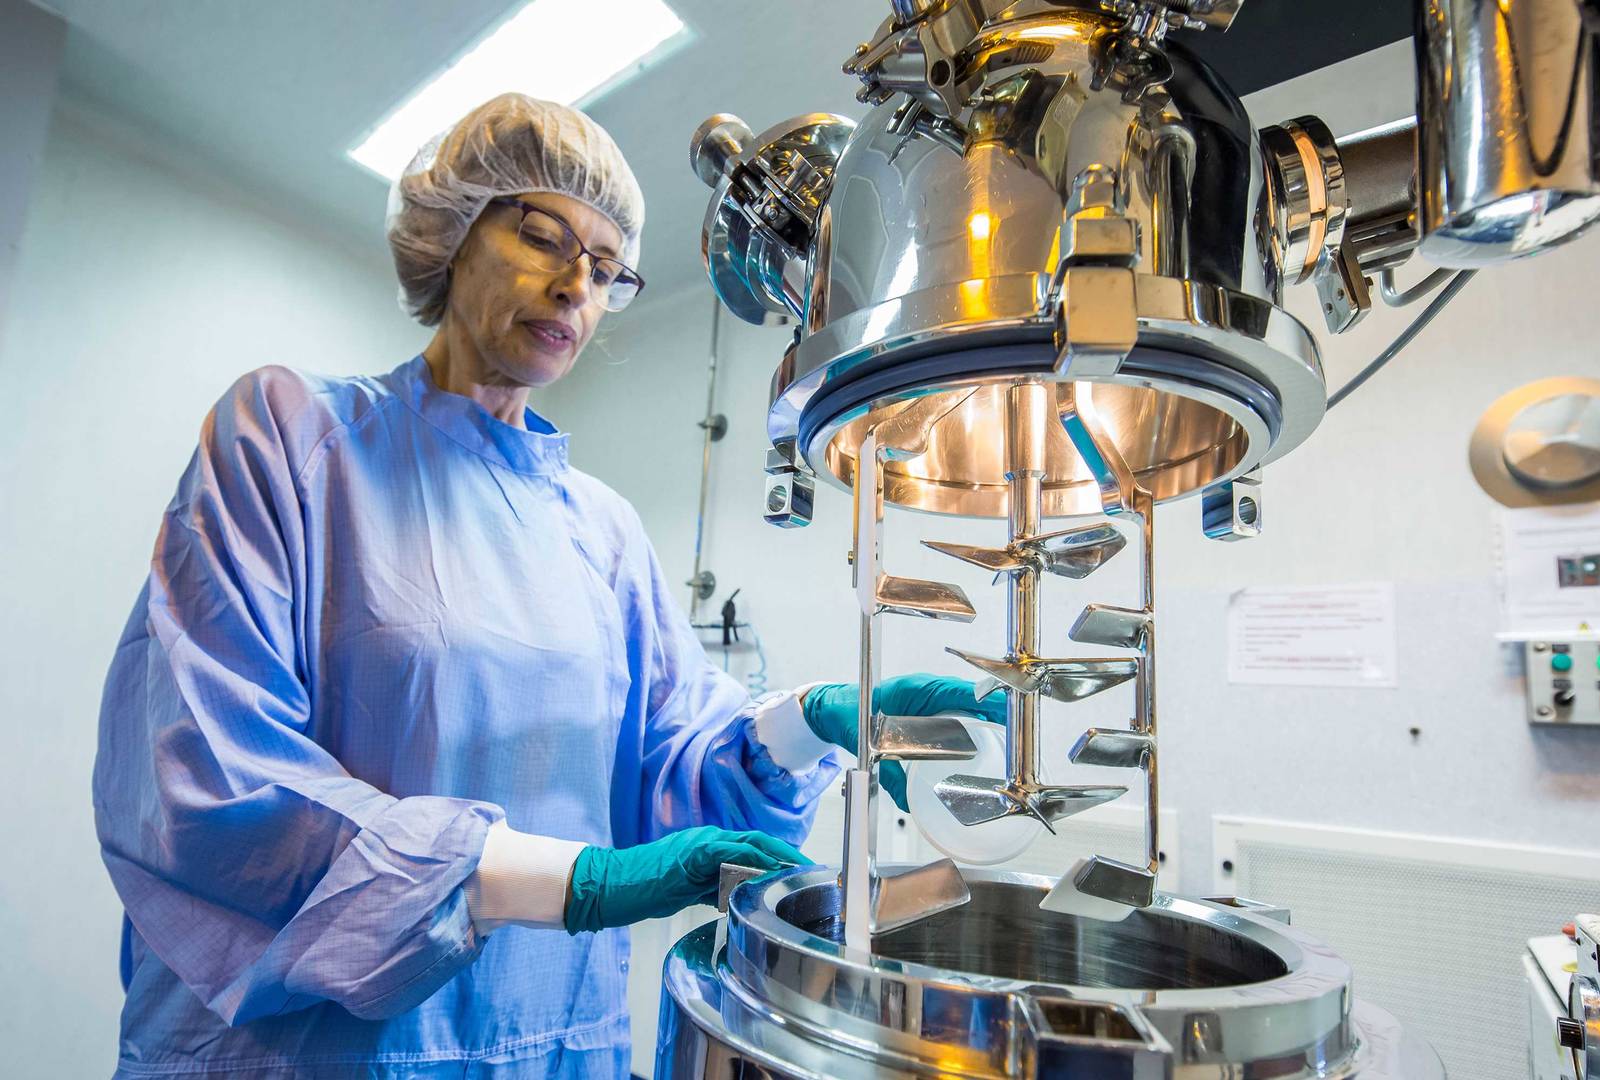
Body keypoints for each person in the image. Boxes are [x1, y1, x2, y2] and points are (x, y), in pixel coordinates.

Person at [92, 93, 1006, 1078]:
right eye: (545, 236)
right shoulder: (291, 439)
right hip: (311, 1052)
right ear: (452, 227)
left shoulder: (599, 529)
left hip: (556, 1049)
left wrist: (810, 721)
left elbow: (674, 765)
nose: (579, 285)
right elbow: (211, 776)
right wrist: (579, 880)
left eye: (610, 270)